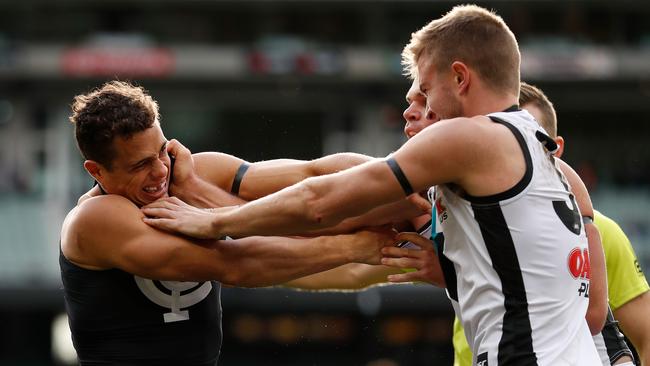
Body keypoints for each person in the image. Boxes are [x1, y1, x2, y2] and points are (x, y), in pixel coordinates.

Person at [142, 5, 605, 365]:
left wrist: (211, 220)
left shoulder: (468, 138)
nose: (421, 107)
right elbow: (588, 312)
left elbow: (319, 203)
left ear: (460, 78)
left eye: (427, 90)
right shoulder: (554, 164)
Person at [60, 80, 412, 365]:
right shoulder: (95, 219)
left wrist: (411, 181)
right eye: (140, 165)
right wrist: (352, 246)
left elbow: (314, 174)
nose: (160, 171)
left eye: (162, 151)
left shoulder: (196, 172)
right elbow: (234, 263)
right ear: (97, 171)